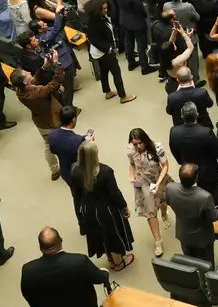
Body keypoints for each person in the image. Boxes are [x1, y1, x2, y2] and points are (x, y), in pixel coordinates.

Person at [70, 141, 135, 271]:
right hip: (107, 210)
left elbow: (76, 195)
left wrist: (80, 214)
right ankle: (118, 263)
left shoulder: (75, 170)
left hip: (88, 209)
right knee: (113, 234)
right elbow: (114, 193)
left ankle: (110, 258)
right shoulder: (105, 171)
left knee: (99, 234)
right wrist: (124, 207)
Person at [20, 226, 110, 307]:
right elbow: (100, 278)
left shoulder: (28, 271)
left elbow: (28, 295)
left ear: (40, 248)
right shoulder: (80, 262)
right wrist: (104, 272)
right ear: (61, 241)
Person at [164, 163, 218, 265]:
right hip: (202, 238)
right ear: (196, 178)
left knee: (190, 263)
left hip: (183, 234)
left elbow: (168, 202)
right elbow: (214, 217)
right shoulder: (205, 197)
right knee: (206, 265)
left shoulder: (170, 188)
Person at [169, 101, 218, 204]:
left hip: (187, 173)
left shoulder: (174, 131)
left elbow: (173, 149)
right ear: (197, 114)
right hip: (208, 173)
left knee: (192, 198)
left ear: (182, 116)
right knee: (213, 199)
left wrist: (182, 162)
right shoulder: (206, 132)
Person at [127, 128, 172, 258]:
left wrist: (159, 182)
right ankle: (158, 241)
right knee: (150, 211)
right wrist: (132, 176)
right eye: (135, 144)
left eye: (140, 143)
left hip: (158, 178)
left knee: (162, 200)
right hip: (144, 182)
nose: (138, 146)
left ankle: (164, 214)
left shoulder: (157, 148)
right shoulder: (131, 151)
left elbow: (165, 165)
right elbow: (132, 164)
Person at [82, 0, 136, 104]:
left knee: (104, 71)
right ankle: (123, 96)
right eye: (103, 9)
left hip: (100, 53)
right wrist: (109, 49)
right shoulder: (95, 23)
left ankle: (107, 92)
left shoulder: (100, 18)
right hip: (104, 52)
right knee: (116, 73)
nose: (106, 10)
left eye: (106, 8)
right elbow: (94, 40)